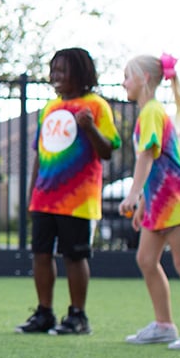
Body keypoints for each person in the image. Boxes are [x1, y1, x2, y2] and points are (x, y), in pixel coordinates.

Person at [16, 47, 120, 335]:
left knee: (74, 256)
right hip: (44, 197)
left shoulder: (96, 106)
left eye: (62, 70)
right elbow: (39, 152)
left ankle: (77, 316)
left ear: (81, 73)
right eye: (53, 70)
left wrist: (89, 128)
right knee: (40, 254)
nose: (55, 76)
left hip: (77, 199)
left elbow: (108, 150)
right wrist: (32, 192)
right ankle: (44, 312)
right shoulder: (50, 108)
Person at [119, 53, 180, 349]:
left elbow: (147, 155)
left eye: (127, 77)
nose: (124, 84)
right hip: (158, 199)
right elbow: (154, 162)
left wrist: (133, 194)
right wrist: (144, 202)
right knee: (146, 259)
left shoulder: (152, 112)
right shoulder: (148, 113)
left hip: (175, 198)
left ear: (144, 79)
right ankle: (164, 325)